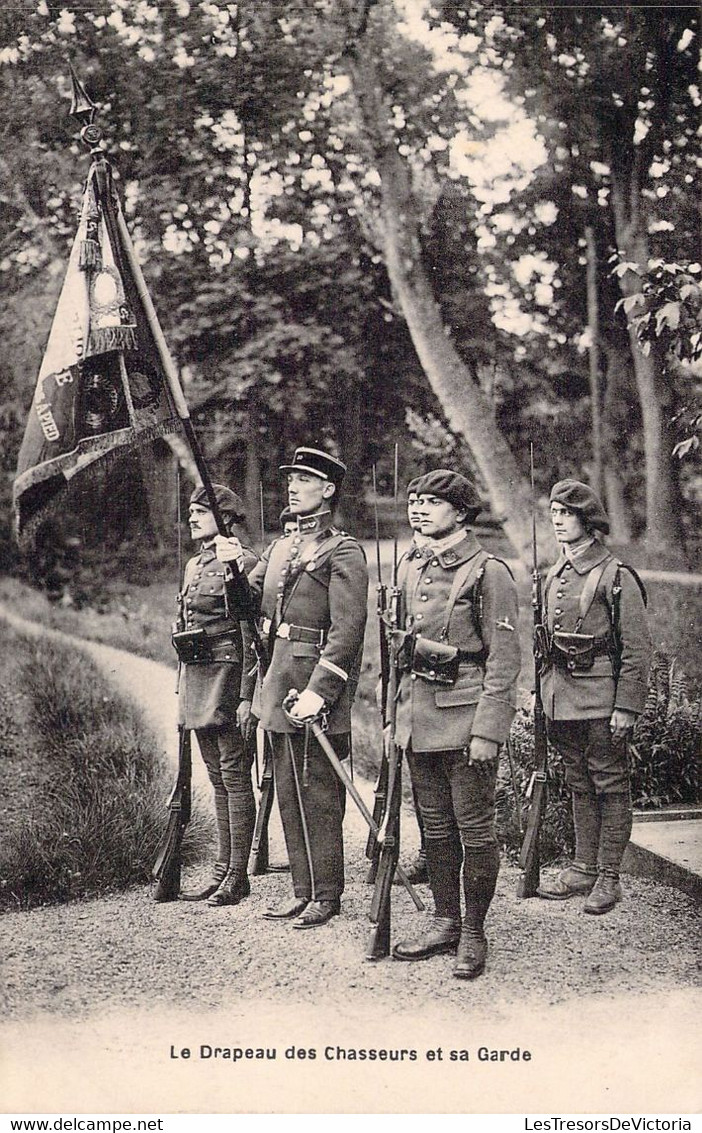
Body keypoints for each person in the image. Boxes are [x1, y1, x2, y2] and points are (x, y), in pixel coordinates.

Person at [217, 447, 368, 929]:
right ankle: (302, 890)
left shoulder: (342, 551)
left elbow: (347, 631)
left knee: (318, 792)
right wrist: (233, 569)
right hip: (279, 680)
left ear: (328, 490)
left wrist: (321, 691)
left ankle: (327, 893)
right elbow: (245, 608)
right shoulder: (282, 547)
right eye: (291, 478)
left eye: (304, 479)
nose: (293, 485)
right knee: (286, 789)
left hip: (313, 688)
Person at [390, 469, 521, 978]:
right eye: (415, 500)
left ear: (462, 513)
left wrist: (488, 732)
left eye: (432, 502)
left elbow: (504, 662)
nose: (419, 508)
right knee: (436, 832)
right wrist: (392, 719)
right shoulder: (411, 566)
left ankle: (473, 931)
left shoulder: (489, 572)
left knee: (474, 831)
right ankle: (445, 919)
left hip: (466, 721)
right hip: (418, 718)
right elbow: (398, 651)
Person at [537, 479, 652, 914]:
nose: (558, 522)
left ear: (589, 521)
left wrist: (626, 706)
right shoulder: (556, 573)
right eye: (553, 515)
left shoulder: (615, 576)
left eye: (566, 514)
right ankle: (583, 867)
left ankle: (609, 876)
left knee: (608, 781)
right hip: (560, 696)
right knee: (577, 781)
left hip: (602, 698)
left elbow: (637, 649)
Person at [175, 483, 258, 907]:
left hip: (228, 677)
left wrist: (247, 696)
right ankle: (222, 869)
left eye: (202, 512)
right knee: (215, 776)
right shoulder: (194, 565)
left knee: (234, 773)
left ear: (225, 520)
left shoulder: (241, 562)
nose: (192, 517)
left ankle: (238, 874)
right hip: (199, 677)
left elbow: (249, 633)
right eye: (191, 511)